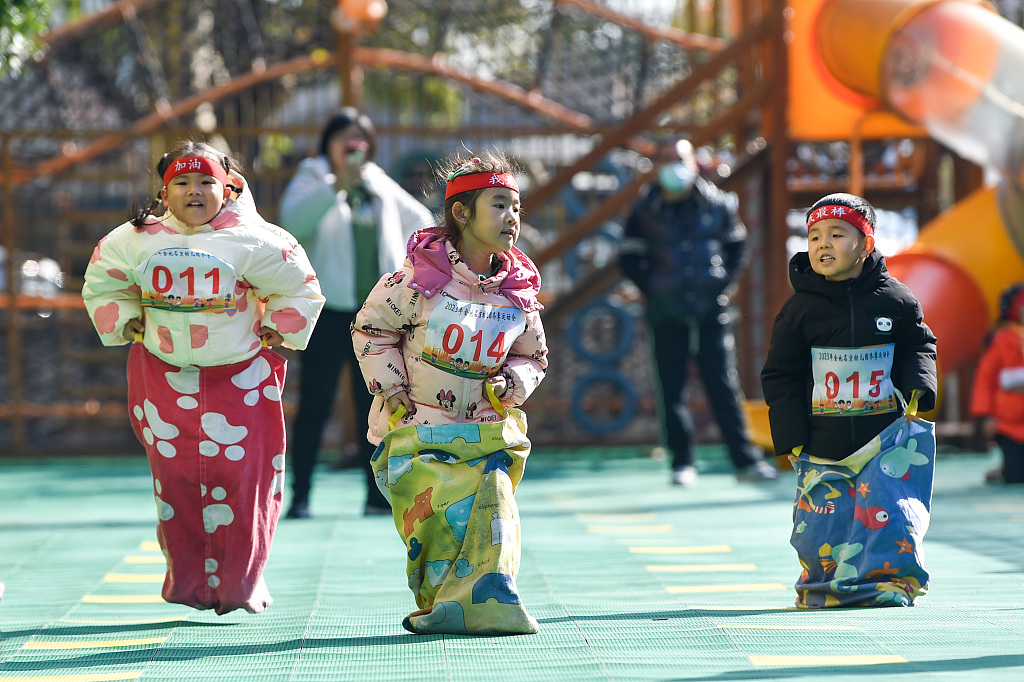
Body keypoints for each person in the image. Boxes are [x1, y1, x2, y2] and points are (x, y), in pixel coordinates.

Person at [82, 140, 325, 614]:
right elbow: (104, 279)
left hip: (240, 375)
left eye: (206, 182)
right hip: (164, 374)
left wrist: (280, 324)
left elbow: (298, 285)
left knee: (245, 476)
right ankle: (189, 580)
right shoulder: (134, 239)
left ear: (228, 187)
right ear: (164, 191)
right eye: (183, 183)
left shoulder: (256, 239)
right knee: (175, 479)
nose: (195, 191)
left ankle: (242, 582)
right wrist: (124, 316)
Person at [352, 150, 548, 634]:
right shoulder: (419, 280)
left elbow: (533, 356)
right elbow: (370, 329)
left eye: (516, 208)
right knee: (440, 524)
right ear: (461, 213)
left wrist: (513, 382)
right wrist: (391, 387)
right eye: (498, 205)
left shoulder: (517, 291)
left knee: (495, 512)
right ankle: (443, 608)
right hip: (418, 433)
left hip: (486, 433)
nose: (512, 218)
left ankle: (492, 607)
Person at [761, 193, 938, 607]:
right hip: (824, 439)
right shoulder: (799, 310)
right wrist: (791, 438)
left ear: (866, 245)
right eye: (815, 236)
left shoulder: (896, 299)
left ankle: (891, 584)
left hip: (885, 438)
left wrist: (917, 388)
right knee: (822, 526)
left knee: (891, 515)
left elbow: (919, 344)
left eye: (837, 235)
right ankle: (823, 587)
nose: (823, 244)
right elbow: (780, 375)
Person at [278, 108, 433, 518]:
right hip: (328, 314)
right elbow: (292, 221)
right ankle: (302, 496)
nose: (352, 148)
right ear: (327, 145)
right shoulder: (312, 176)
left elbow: (422, 223)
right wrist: (336, 186)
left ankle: (377, 496)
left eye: (359, 141)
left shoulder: (378, 180)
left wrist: (404, 274)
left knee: (379, 404)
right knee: (315, 405)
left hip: (377, 319)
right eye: (343, 140)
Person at [618, 138, 776, 486]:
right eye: (666, 159)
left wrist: (722, 285)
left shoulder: (717, 204)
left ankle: (745, 462)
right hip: (666, 310)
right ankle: (682, 462)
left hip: (710, 310)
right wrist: (653, 286)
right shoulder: (644, 209)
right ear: (656, 167)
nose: (674, 166)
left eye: (680, 159)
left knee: (722, 384)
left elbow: (738, 246)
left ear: (694, 164)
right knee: (671, 387)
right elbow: (628, 256)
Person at [970, 281, 1024, 485]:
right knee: (1016, 476)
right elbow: (985, 379)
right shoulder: (1002, 340)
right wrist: (984, 416)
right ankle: (1006, 469)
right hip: (1008, 423)